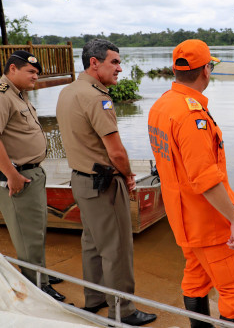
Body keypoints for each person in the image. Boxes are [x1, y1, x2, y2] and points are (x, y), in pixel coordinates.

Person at [148, 39, 234, 326]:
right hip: (208, 220)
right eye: (210, 66)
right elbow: (205, 179)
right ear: (206, 70)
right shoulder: (191, 116)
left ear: (176, 70)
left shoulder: (162, 105)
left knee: (196, 277)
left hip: (182, 217)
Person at [56, 39, 156, 326]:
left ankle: (96, 298)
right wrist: (127, 176)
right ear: (94, 63)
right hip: (104, 185)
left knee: (92, 243)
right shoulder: (97, 98)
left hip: (80, 180)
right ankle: (122, 311)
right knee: (117, 249)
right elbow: (116, 151)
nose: (120, 68)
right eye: (114, 62)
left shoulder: (68, 91)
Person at [0, 51, 65, 302]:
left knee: (36, 230)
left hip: (32, 172)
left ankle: (41, 273)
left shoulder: (18, 94)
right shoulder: (4, 95)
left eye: (37, 73)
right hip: (19, 177)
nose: (36, 76)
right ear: (13, 69)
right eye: (31, 72)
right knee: (27, 235)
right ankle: (38, 287)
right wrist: (11, 174)